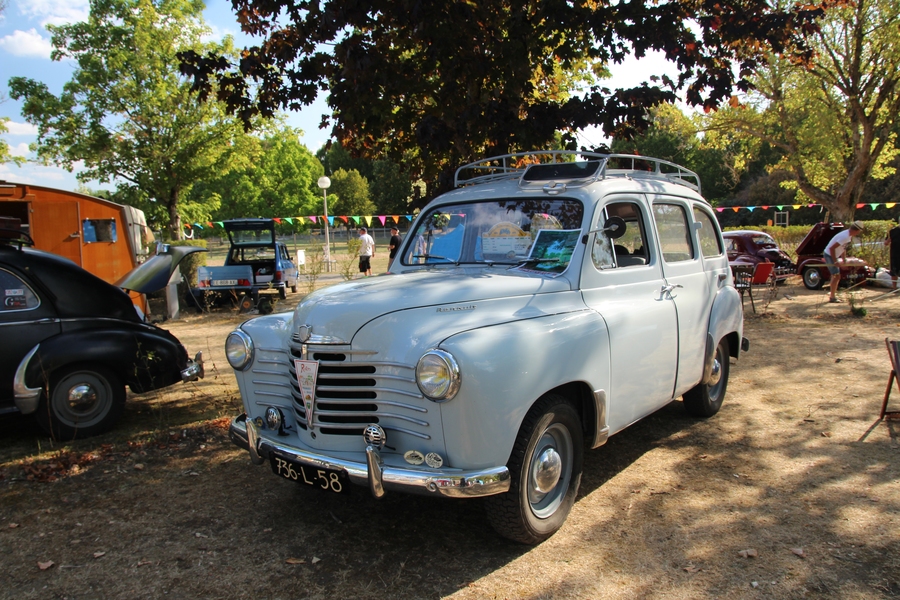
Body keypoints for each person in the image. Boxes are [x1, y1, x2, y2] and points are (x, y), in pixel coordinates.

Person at [824, 220, 864, 303]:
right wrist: (835, 261)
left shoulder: (848, 236)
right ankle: (832, 297)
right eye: (858, 232)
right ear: (856, 230)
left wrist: (844, 258)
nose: (858, 233)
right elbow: (832, 248)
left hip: (833, 255)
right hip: (829, 255)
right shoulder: (845, 236)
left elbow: (843, 247)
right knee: (836, 275)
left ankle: (832, 294)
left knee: (835, 276)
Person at [885, 219, 900, 289]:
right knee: (894, 271)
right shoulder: (892, 231)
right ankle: (894, 287)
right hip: (894, 253)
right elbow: (886, 243)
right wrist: (888, 241)